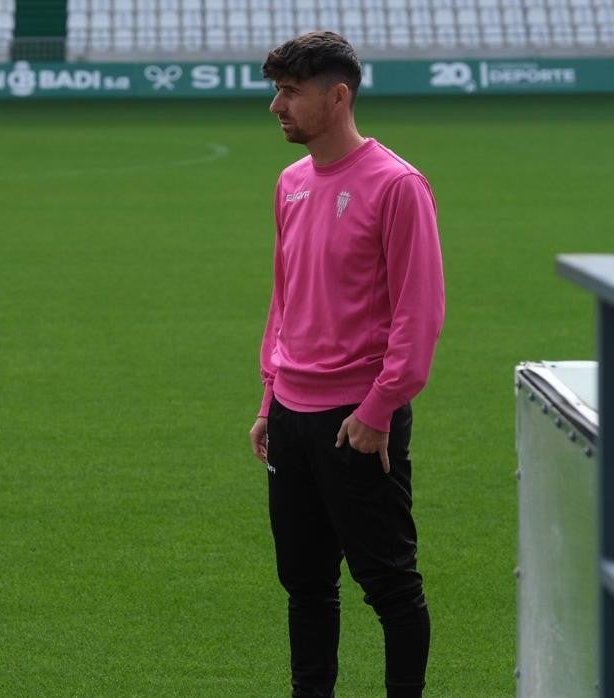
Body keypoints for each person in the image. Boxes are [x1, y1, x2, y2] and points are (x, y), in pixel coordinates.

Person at [248, 31, 445, 698]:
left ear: (338, 97)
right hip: (293, 417)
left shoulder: (397, 186)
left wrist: (379, 409)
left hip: (356, 421)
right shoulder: (291, 182)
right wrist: (269, 399)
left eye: (290, 92)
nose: (276, 105)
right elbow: (285, 296)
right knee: (305, 585)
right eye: (276, 90)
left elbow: (420, 316)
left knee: (389, 584)